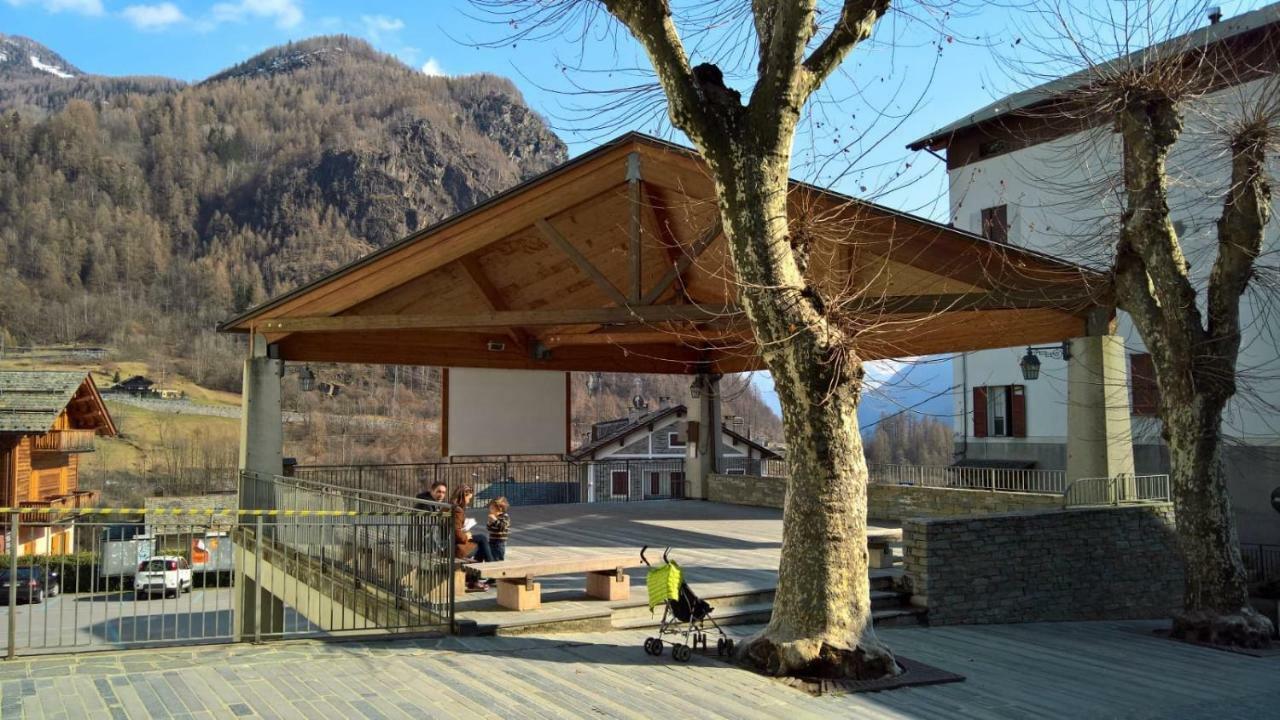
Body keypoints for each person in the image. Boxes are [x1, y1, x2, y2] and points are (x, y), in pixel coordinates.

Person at [451, 484, 495, 591]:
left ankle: (477, 577)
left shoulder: (449, 506)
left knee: (481, 538)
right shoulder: (457, 510)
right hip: (453, 545)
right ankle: (491, 570)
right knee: (482, 543)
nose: (469, 501)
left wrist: (464, 528)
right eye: (468, 498)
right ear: (463, 496)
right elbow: (456, 533)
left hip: (449, 541)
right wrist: (466, 535)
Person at [486, 497, 511, 561]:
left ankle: (500, 569)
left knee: (498, 558)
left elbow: (502, 527)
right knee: (491, 557)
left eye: (492, 508)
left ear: (499, 508)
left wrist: (494, 520)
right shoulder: (495, 517)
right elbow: (489, 529)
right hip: (492, 541)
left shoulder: (505, 516)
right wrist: (489, 523)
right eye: (490, 508)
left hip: (500, 543)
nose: (490, 510)